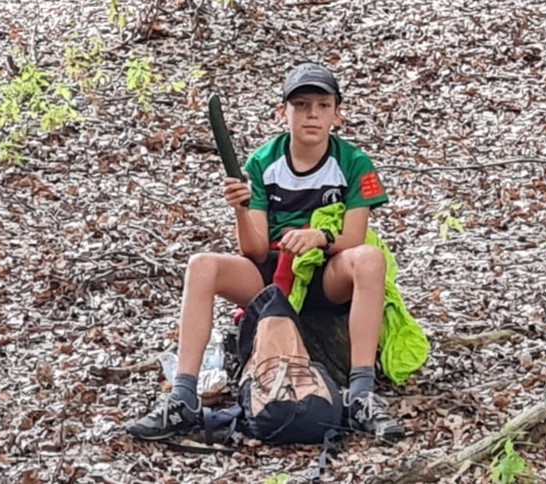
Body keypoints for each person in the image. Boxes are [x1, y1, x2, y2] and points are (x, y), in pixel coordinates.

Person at [127, 62, 405, 443]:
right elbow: (254, 249)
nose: (312, 115)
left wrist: (318, 237)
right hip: (272, 276)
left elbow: (354, 238)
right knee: (201, 265)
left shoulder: (353, 163)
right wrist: (241, 208)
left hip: (326, 273)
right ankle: (183, 397)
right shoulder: (262, 162)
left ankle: (361, 395)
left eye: (323, 106)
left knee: (371, 259)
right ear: (282, 113)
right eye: (301, 105)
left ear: (337, 116)